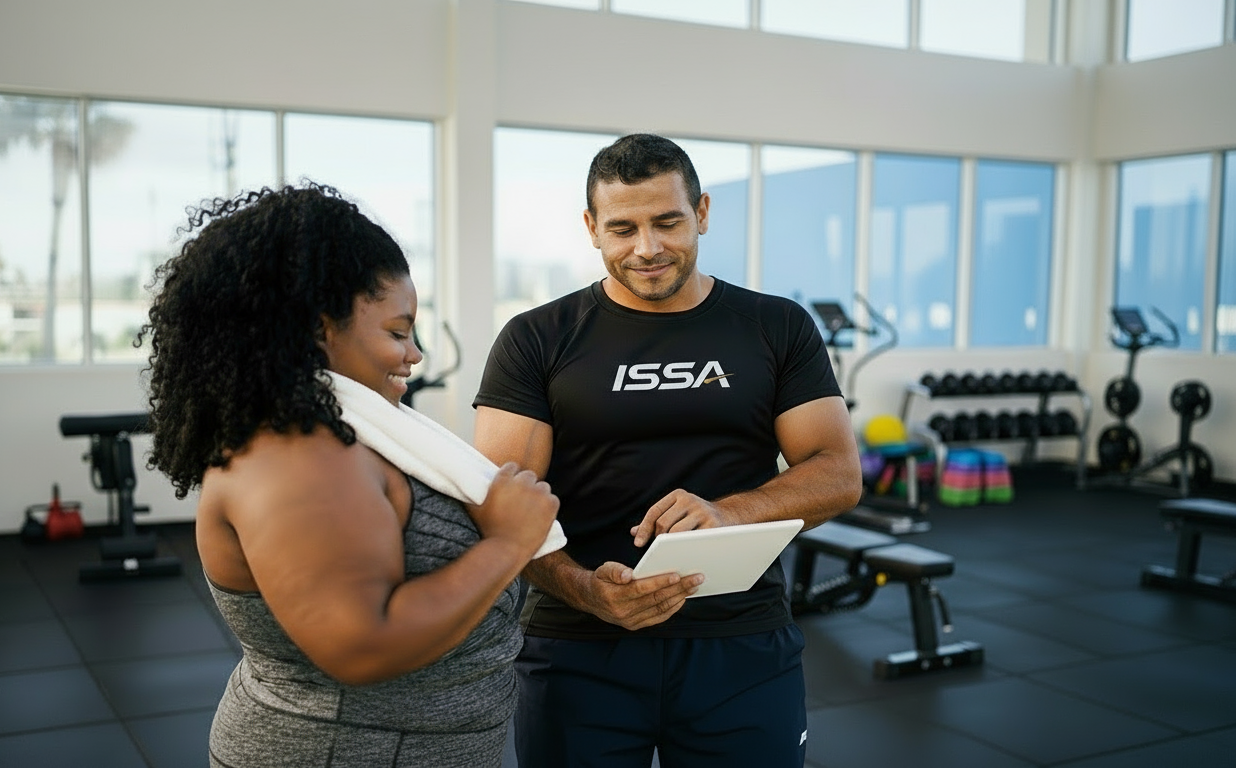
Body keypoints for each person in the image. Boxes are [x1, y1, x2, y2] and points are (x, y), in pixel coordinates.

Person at [473, 134, 863, 767]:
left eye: (668, 222)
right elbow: (500, 506)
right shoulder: (534, 339)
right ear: (591, 228)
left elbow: (839, 474)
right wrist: (583, 589)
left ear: (702, 213)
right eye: (623, 228)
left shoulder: (776, 326)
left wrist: (728, 512)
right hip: (578, 640)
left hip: (740, 639)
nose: (647, 248)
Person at [139, 182, 559, 767]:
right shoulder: (293, 455)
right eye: (396, 331)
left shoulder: (352, 436)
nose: (414, 355)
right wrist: (509, 543)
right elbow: (362, 646)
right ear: (318, 330)